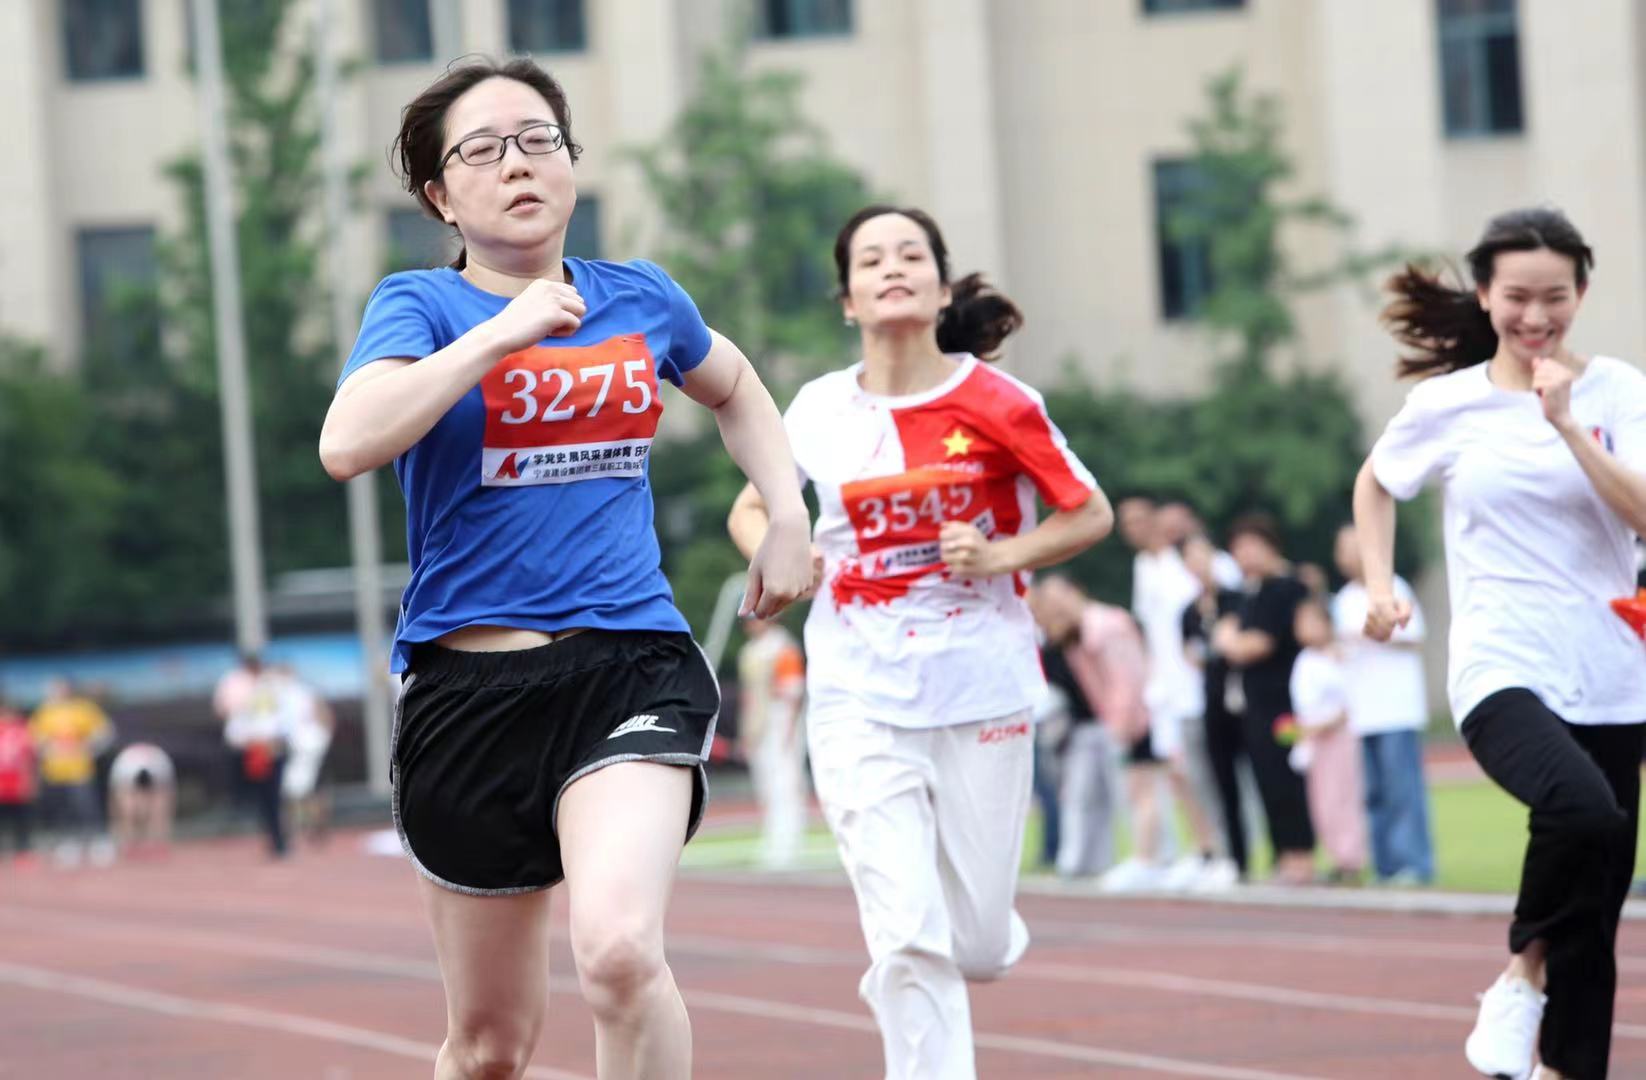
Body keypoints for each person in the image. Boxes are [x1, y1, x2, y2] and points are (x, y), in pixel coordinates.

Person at [317, 57, 811, 1080]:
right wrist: (499, 334)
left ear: (572, 165)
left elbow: (735, 386)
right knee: (490, 1048)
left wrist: (787, 511)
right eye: (483, 149)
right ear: (440, 197)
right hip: (469, 690)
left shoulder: (642, 297)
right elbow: (347, 442)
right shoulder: (418, 306)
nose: (517, 163)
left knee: (620, 954)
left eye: (538, 139)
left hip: (629, 664)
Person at [727, 204, 1111, 1080]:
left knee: (974, 946)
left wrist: (1002, 554)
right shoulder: (820, 407)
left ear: (941, 289)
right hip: (857, 689)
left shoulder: (999, 402)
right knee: (906, 933)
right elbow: (753, 507)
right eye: (871, 260)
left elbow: (1088, 512)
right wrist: (782, 552)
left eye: (910, 255)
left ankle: (964, 940)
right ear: (848, 300)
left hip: (982, 686)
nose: (892, 268)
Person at [1356, 207, 1646, 1080]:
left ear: (1581, 293)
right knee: (1582, 811)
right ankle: (1521, 973)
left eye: (1554, 297)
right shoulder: (1447, 404)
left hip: (1613, 673)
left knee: (1595, 918)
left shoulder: (1617, 391)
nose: (1535, 316)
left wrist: (1567, 425)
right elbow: (1377, 481)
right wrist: (1378, 584)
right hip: (1501, 665)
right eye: (1517, 297)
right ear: (1485, 296)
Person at [1108, 498, 1231, 891]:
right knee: (1177, 774)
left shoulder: (1193, 562)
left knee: (1202, 771)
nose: (1136, 528)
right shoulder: (1144, 566)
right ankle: (1201, 848)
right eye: (1128, 523)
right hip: (1165, 689)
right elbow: (1148, 628)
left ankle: (1222, 852)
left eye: (1142, 519)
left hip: (1197, 684)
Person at [1212, 514, 1317, 885]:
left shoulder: (1285, 588)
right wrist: (1230, 640)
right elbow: (1225, 636)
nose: (1244, 555)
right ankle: (1282, 856)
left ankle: (1301, 857)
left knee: (1286, 778)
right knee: (1265, 782)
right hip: (1252, 704)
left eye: (1251, 546)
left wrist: (1230, 641)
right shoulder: (1247, 593)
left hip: (1283, 703)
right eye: (1237, 548)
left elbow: (1253, 645)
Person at [1332, 523, 1434, 885]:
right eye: (1342, 549)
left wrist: (1375, 634)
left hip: (1396, 709)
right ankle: (1385, 865)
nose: (1347, 556)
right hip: (1362, 712)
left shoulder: (1394, 587)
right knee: (1374, 794)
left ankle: (1414, 864)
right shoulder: (1343, 600)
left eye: (1353, 547)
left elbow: (1414, 637)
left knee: (1402, 789)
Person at [1029, 576, 1139, 880]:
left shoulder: (1104, 626)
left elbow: (1123, 680)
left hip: (1115, 724)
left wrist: (1121, 723)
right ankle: (1082, 862)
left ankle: (1145, 858)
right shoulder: (1062, 638)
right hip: (1082, 729)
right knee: (1080, 797)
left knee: (1126, 795)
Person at [1180, 533, 1254, 879]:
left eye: (1202, 555)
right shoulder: (1189, 612)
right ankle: (1234, 858)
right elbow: (1193, 656)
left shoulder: (1237, 599)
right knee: (1221, 782)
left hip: (1245, 698)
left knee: (1257, 777)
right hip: (1212, 701)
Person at [1288, 597, 1368, 885]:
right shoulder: (1304, 660)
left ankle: (1351, 859)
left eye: (1312, 621)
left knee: (1342, 798)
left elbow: (1347, 701)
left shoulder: (1340, 656)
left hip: (1337, 739)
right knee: (1322, 803)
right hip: (1314, 740)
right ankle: (1337, 856)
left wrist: (1326, 722)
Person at [735, 617, 808, 870]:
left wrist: (789, 729)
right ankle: (772, 839)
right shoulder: (750, 651)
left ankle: (787, 843)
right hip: (759, 725)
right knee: (765, 786)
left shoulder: (783, 647)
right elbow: (749, 695)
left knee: (784, 784)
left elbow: (793, 691)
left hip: (779, 720)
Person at [29, 678, 114, 867]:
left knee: (87, 807)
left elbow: (104, 732)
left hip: (80, 769)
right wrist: (48, 749)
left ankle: (98, 842)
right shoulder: (44, 712)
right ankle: (68, 844)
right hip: (55, 771)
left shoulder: (84, 708)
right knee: (62, 809)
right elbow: (36, 738)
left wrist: (89, 748)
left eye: (60, 688)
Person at [220, 662, 293, 859]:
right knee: (264, 799)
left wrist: (275, 742)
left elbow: (284, 720)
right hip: (254, 751)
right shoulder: (242, 693)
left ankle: (281, 838)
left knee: (275, 797)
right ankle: (275, 838)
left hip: (272, 749)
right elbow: (236, 725)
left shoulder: (276, 691)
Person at [275, 664, 335, 847]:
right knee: (300, 792)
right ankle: (306, 827)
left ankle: (308, 828)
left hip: (306, 747)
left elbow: (323, 715)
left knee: (301, 791)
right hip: (303, 746)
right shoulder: (297, 692)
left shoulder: (295, 693)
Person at [107, 742, 176, 857]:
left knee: (159, 809)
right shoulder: (124, 769)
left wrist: (158, 836)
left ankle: (155, 843)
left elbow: (167, 801)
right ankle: (129, 843)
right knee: (127, 810)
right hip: (125, 775)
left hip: (158, 773)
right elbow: (114, 802)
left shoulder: (160, 767)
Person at [0, 697, 38, 866]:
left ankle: (23, 850)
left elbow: (29, 758)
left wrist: (30, 780)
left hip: (17, 782)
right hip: (1, 782)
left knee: (21, 819)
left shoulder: (23, 731)